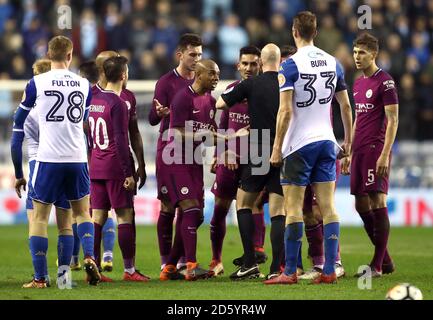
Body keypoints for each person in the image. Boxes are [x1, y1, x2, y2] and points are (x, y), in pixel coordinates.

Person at [265, 11, 352, 285]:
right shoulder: (334, 62)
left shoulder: (289, 66)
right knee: (328, 207)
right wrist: (347, 142)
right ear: (315, 32)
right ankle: (328, 269)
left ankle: (289, 271)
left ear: (294, 32)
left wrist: (277, 147)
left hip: (298, 145)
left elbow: (286, 110)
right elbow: (345, 106)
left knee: (293, 208)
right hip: (327, 141)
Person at [10, 36, 100, 287]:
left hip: (48, 159)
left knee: (39, 218)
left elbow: (19, 120)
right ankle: (87, 258)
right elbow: (83, 121)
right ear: (70, 56)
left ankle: (40, 278)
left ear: (48, 54)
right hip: (77, 157)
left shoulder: (36, 82)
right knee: (81, 213)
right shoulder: (84, 85)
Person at [216, 43, 286, 281]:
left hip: (259, 148)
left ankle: (249, 263)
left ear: (261, 62)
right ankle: (278, 268)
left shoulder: (250, 84)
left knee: (243, 204)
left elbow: (220, 104)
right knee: (278, 211)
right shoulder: (287, 83)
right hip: (284, 150)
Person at [11, 58, 74, 288]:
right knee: (66, 224)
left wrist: (18, 174)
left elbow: (16, 143)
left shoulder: (27, 109)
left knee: (36, 222)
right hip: (68, 162)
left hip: (41, 166)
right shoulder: (68, 103)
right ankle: (65, 279)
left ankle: (40, 277)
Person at [159, 59, 221, 281]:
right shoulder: (183, 98)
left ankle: (169, 268)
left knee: (195, 216)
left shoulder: (211, 102)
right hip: (174, 160)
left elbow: (213, 136)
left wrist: (224, 146)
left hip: (194, 162)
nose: (216, 78)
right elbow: (174, 133)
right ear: (199, 74)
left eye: (218, 74)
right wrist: (203, 136)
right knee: (191, 210)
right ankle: (191, 266)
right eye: (212, 74)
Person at [88, 56, 149, 282]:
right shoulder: (118, 103)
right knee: (124, 216)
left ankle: (93, 267)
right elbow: (122, 141)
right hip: (115, 167)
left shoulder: (94, 100)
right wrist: (128, 173)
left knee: (98, 217)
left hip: (96, 165)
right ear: (123, 75)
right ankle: (130, 270)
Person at [342, 32, 398, 277]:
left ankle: (376, 265)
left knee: (377, 200)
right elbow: (358, 119)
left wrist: (385, 154)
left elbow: (393, 119)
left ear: (373, 54)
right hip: (360, 151)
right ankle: (385, 260)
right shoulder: (358, 82)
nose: (357, 57)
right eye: (355, 52)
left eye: (362, 52)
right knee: (360, 202)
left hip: (376, 150)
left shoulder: (385, 82)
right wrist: (349, 151)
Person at [209, 45, 266, 276]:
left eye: (254, 64)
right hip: (228, 159)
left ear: (260, 65)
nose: (250, 68)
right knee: (220, 208)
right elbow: (223, 125)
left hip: (255, 159)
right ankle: (216, 260)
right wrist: (220, 152)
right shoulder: (232, 90)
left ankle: (256, 254)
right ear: (238, 65)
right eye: (246, 64)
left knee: (255, 206)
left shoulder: (266, 92)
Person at [149, 33, 202, 273]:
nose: (197, 59)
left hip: (193, 151)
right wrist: (159, 113)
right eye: (193, 54)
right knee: (169, 206)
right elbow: (151, 118)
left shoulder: (202, 83)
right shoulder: (166, 82)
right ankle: (166, 261)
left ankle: (179, 261)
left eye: (200, 55)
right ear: (180, 55)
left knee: (190, 207)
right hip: (170, 150)